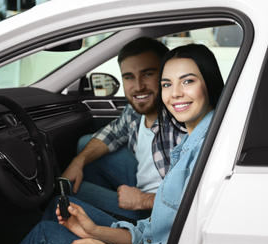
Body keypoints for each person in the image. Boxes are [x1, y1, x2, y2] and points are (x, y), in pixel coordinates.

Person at [8, 43, 224, 244]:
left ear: (209, 82)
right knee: (81, 159)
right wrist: (95, 231)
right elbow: (159, 227)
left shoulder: (203, 149)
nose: (175, 93)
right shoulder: (189, 139)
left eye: (188, 81)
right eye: (168, 84)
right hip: (151, 236)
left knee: (44, 235)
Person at [63, 37, 186, 220]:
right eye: (129, 77)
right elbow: (113, 133)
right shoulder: (136, 110)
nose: (138, 87)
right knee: (86, 145)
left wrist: (141, 200)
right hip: (142, 186)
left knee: (65, 200)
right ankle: (104, 222)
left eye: (147, 74)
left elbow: (190, 197)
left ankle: (114, 229)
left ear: (166, 75)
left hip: (157, 211)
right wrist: (78, 161)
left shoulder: (180, 122)